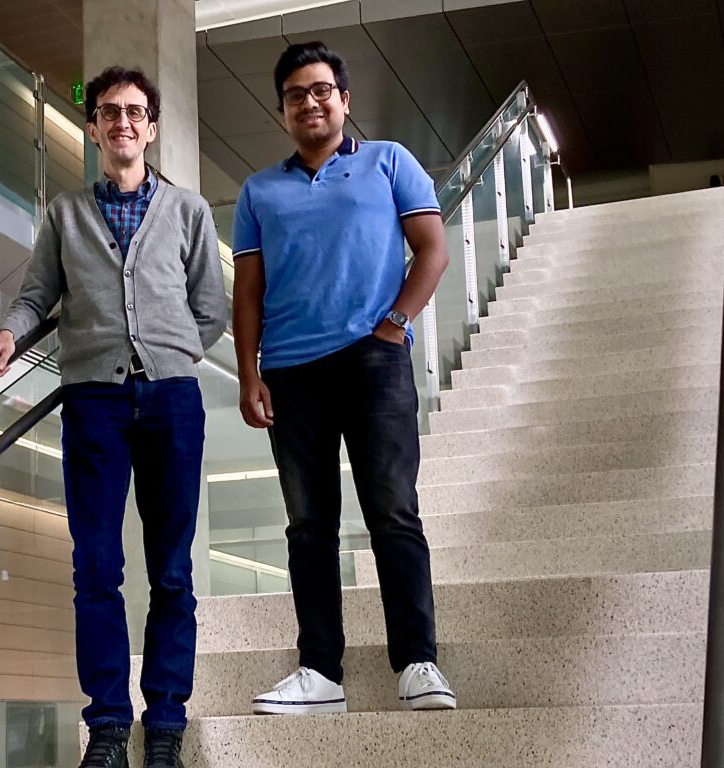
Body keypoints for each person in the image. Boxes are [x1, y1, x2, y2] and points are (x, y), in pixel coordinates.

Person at [0, 66, 226, 768]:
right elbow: (35, 298)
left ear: (150, 127)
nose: (122, 122)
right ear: (93, 129)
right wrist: (8, 332)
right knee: (96, 565)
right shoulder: (63, 215)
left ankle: (167, 724)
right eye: (109, 112)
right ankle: (111, 726)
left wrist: (167, 356)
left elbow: (208, 310)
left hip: (173, 400)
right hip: (95, 403)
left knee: (172, 569)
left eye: (134, 112)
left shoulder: (189, 212)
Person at [231, 41, 456, 716]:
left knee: (392, 511)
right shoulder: (258, 191)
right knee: (309, 525)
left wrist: (395, 323)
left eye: (321, 89)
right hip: (291, 372)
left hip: (373, 362)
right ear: (283, 112)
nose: (310, 101)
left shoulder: (390, 161)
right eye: (296, 94)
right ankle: (320, 671)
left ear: (344, 99)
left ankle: (417, 660)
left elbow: (434, 248)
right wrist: (249, 374)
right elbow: (247, 291)